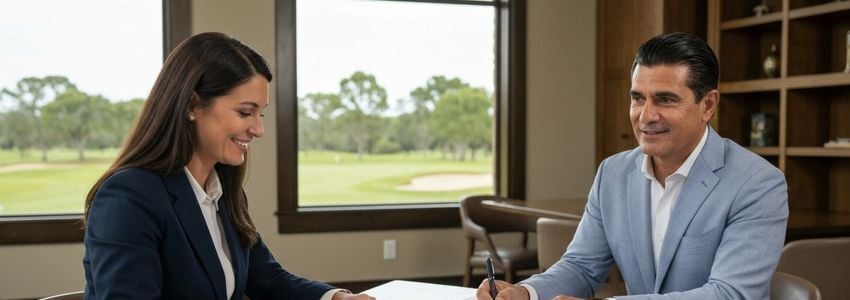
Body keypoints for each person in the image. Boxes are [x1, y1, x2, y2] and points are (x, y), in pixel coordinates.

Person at [478, 32, 788, 299]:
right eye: (638, 99)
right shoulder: (612, 173)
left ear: (707, 105)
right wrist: (526, 292)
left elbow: (729, 294)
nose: (646, 116)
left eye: (665, 100)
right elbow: (581, 267)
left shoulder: (758, 183)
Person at [83, 32, 373, 300]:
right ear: (192, 106)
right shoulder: (128, 197)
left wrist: (336, 298)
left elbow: (266, 278)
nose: (258, 130)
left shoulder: (224, 192)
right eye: (245, 112)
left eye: (261, 114)